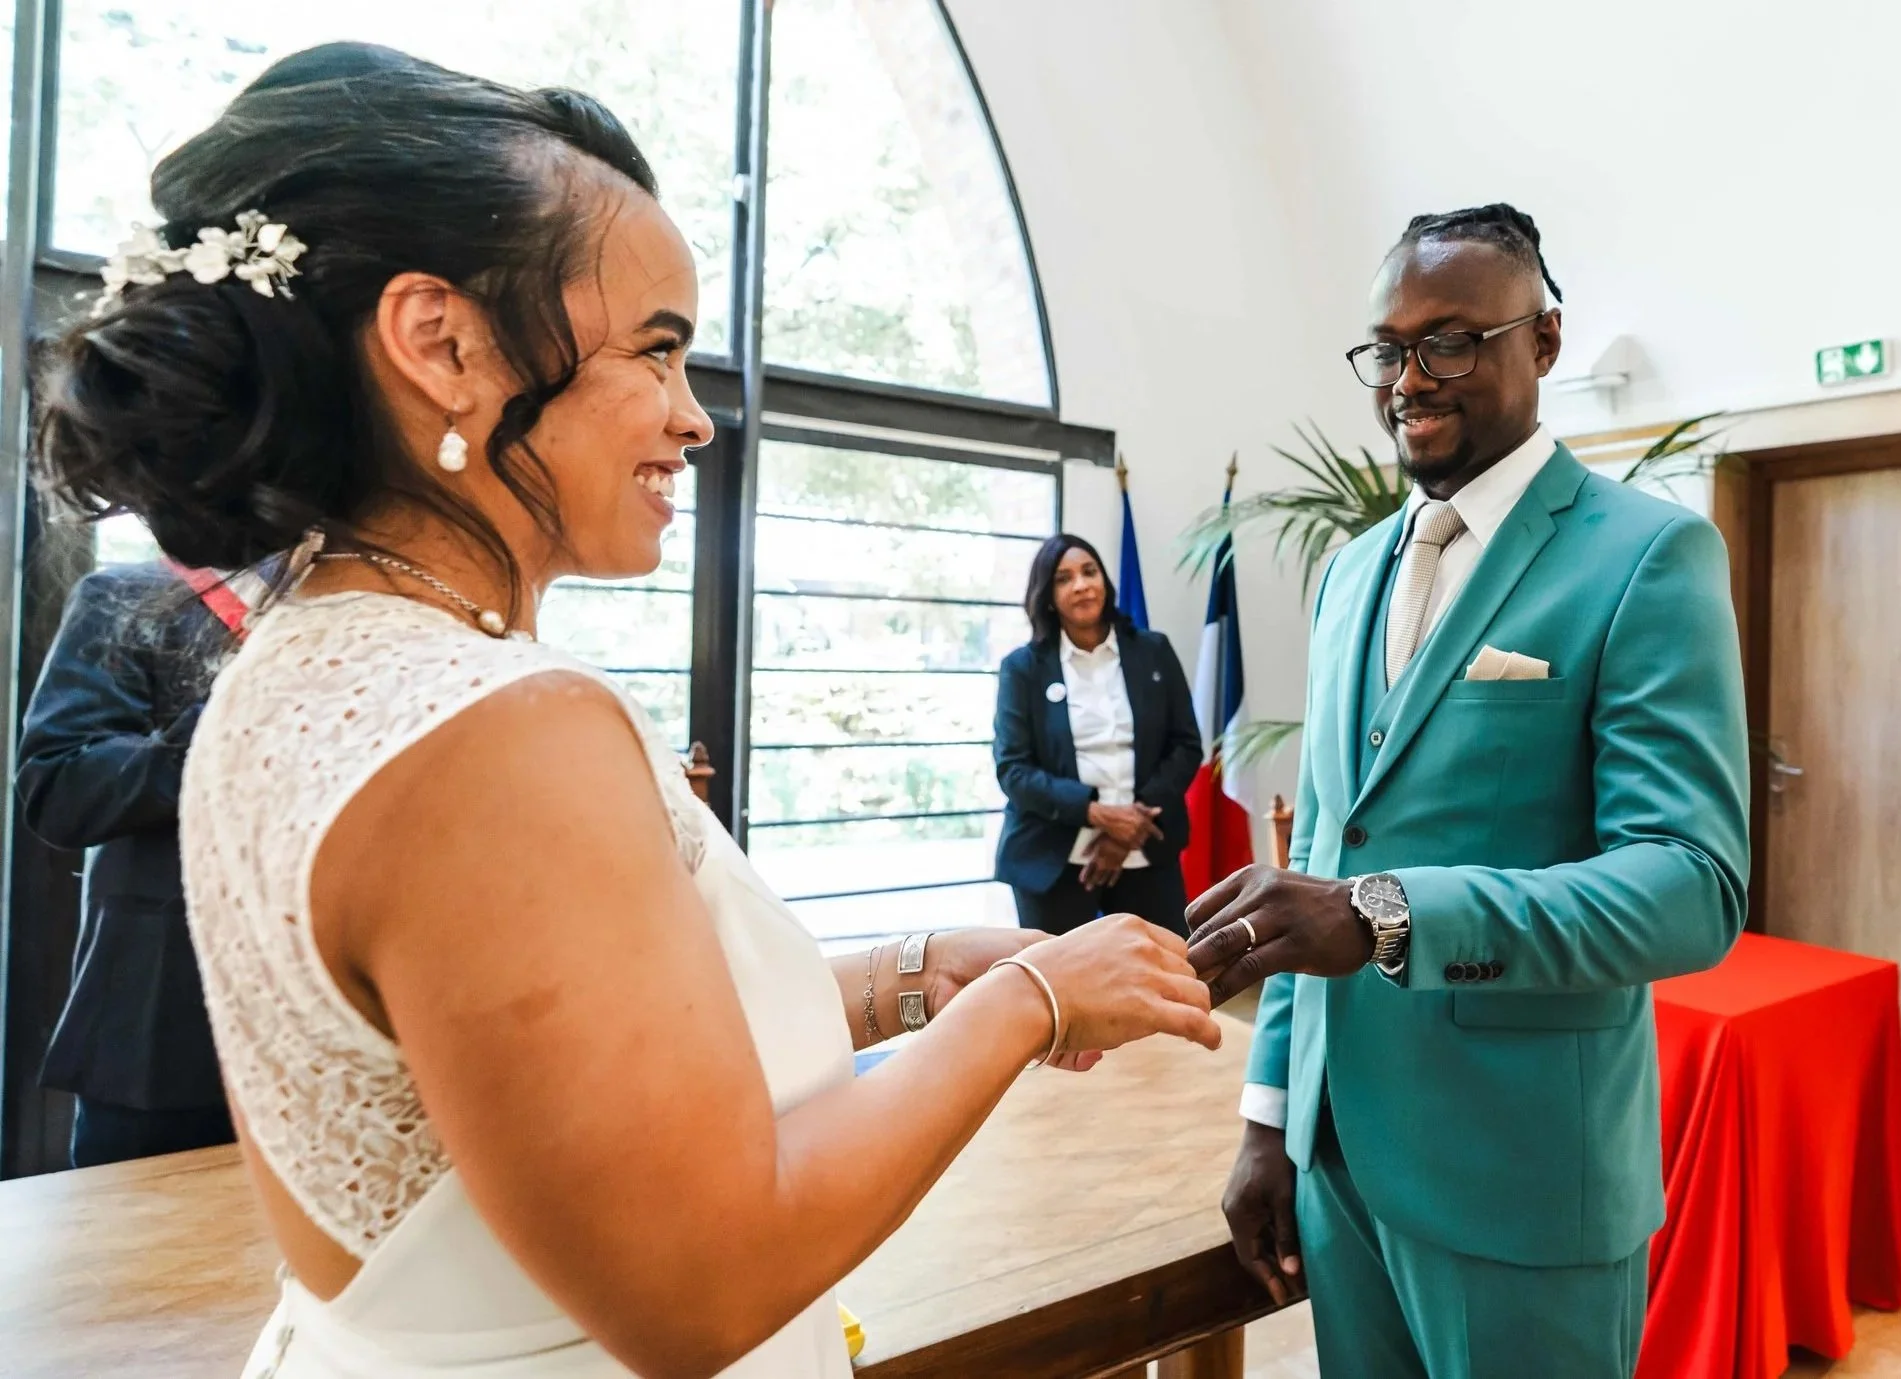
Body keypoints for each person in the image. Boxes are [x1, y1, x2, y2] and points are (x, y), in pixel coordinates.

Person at [35, 43, 1222, 1379]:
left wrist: (901, 979)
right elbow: (702, 1282)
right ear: (441, 343)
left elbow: (540, 1066)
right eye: (656, 351)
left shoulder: (304, 664)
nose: (693, 419)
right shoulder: (491, 732)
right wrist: (1024, 999)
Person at [1186, 204, 1750, 1378]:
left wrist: (1388, 914)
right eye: (1388, 349)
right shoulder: (1348, 574)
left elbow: (1688, 887)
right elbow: (1323, 857)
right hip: (1340, 1167)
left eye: (1447, 342)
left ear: (1542, 340)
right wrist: (1269, 1118)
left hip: (1522, 1176)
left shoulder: (1642, 555)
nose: (1408, 380)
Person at [16, 561, 249, 1167]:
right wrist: (233, 717)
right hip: (165, 1031)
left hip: (351, 1021)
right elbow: (60, 789)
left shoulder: (390, 618)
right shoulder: (129, 598)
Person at [994, 535, 1202, 936]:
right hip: (1052, 858)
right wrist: (1097, 814)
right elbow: (1013, 771)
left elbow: (1186, 746)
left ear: (1104, 582)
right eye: (1063, 578)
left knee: (1165, 967)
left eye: (1089, 572)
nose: (1081, 585)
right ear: (1048, 596)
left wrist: (1129, 827)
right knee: (1057, 974)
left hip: (1146, 848)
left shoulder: (1154, 651)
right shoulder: (1023, 668)